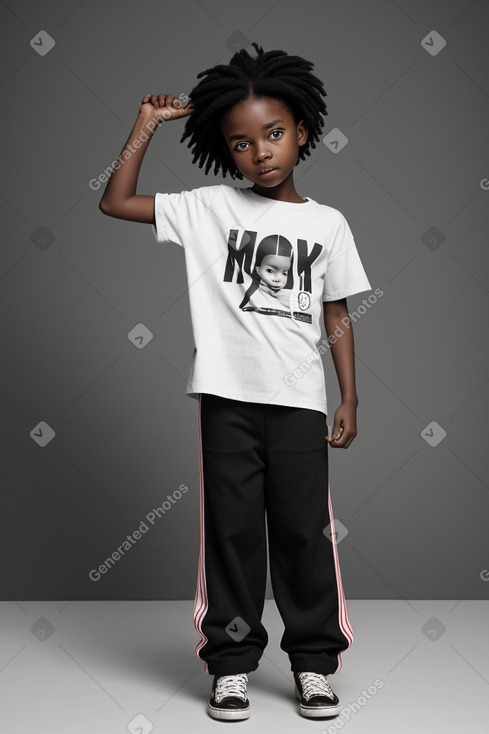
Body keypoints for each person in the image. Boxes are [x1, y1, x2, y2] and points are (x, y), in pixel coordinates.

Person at [99, 42, 372, 722]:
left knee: (304, 536)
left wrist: (349, 396)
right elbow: (116, 200)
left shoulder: (326, 224)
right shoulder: (208, 208)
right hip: (226, 402)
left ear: (303, 131)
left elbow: (336, 310)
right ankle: (230, 667)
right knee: (230, 534)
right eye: (242, 142)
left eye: (273, 134)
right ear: (226, 151)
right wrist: (143, 126)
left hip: (300, 405)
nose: (261, 152)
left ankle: (312, 664)